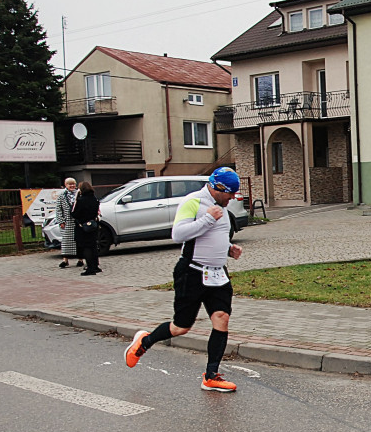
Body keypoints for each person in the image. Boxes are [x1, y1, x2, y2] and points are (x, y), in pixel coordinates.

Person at [124, 167, 244, 392]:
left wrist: (229, 249)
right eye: (229, 193)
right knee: (181, 327)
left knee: (222, 318)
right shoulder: (193, 202)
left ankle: (211, 376)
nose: (231, 198)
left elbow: (213, 238)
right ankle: (144, 342)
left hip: (217, 274)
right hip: (192, 272)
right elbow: (178, 235)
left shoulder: (222, 208)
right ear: (217, 188)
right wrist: (208, 219)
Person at [71, 182, 101, 276]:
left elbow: (75, 214)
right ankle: (95, 266)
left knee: (86, 247)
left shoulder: (81, 200)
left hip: (82, 227)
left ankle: (90, 268)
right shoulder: (94, 199)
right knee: (93, 246)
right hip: (93, 225)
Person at [55, 178, 83, 268]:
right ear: (66, 185)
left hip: (77, 221)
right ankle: (65, 259)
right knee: (66, 241)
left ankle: (80, 259)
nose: (72, 186)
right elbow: (58, 209)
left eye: (73, 184)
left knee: (79, 240)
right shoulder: (61, 195)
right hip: (67, 221)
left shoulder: (79, 194)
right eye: (69, 184)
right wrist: (61, 221)